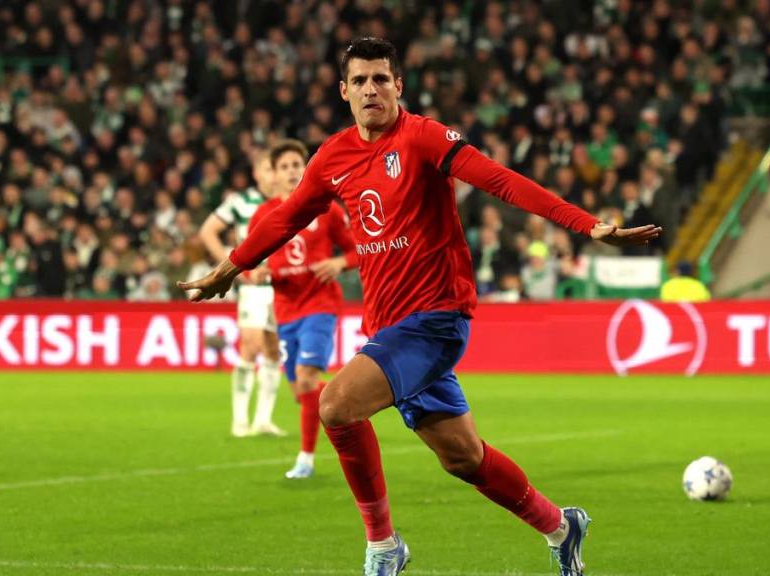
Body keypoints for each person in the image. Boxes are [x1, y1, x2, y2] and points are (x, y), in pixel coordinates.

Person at [180, 37, 660, 576]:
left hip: (436, 317)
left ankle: (383, 545)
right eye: (359, 81)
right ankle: (561, 526)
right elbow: (286, 218)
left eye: (380, 79)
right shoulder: (332, 157)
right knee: (464, 458)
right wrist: (230, 267)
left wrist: (585, 224)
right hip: (389, 328)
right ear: (344, 92)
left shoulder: (424, 137)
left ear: (398, 86)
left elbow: (500, 180)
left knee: (335, 405)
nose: (371, 89)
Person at [251, 139, 359, 480]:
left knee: (308, 376)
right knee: (302, 391)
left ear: (306, 168)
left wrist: (339, 263)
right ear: (273, 174)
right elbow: (250, 261)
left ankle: (305, 460)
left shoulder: (327, 210)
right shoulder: (263, 214)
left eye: (296, 164)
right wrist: (256, 274)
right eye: (283, 167)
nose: (291, 172)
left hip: (320, 304)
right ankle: (347, 404)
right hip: (285, 309)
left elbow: (359, 249)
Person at [198, 152, 285, 438]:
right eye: (268, 168)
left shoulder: (292, 200)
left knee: (273, 350)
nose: (274, 174)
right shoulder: (241, 201)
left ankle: (263, 420)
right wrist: (232, 268)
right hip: (253, 287)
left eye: (276, 168)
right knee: (251, 345)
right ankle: (239, 420)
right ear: (257, 173)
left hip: (282, 285)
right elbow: (208, 231)